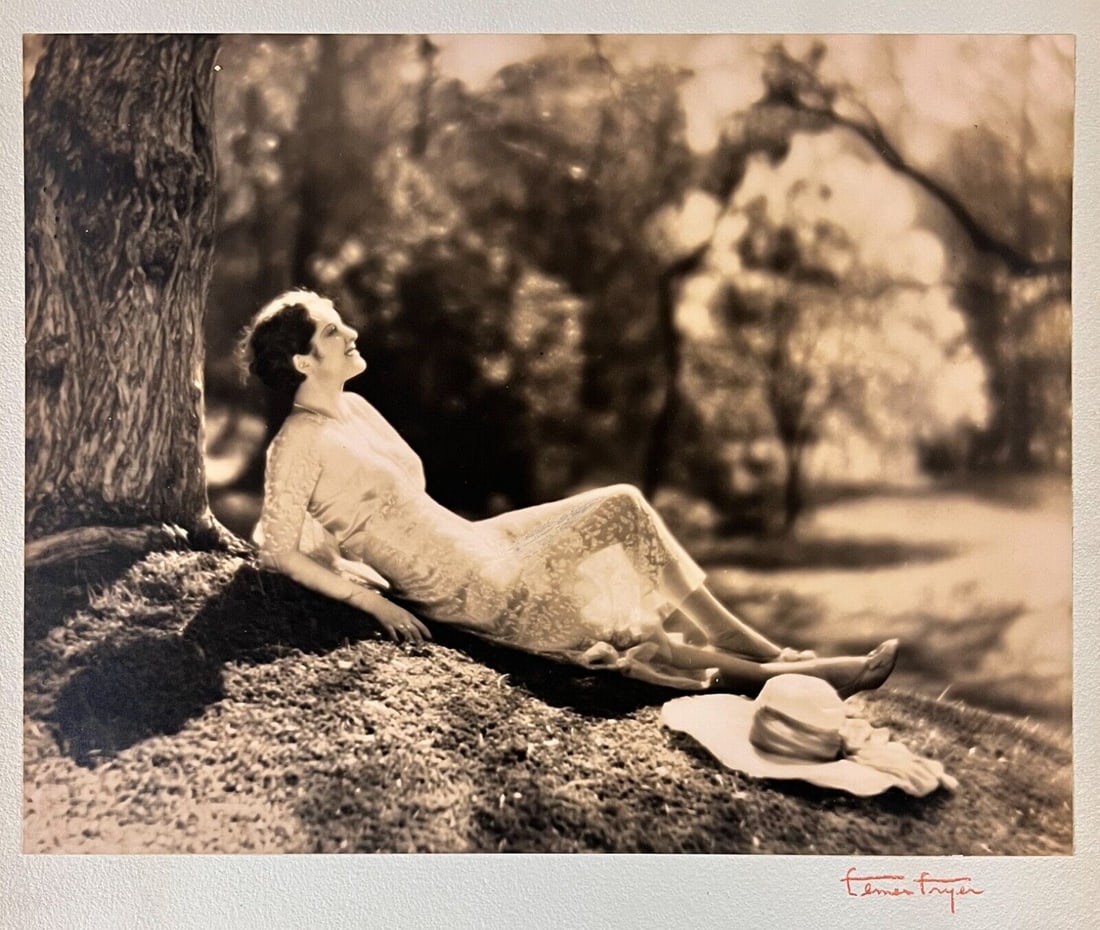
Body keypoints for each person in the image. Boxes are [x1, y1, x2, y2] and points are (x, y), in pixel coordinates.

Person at [241, 289, 898, 696]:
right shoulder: (297, 443)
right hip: (466, 585)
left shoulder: (354, 411)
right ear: (304, 361)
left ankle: (773, 655)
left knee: (622, 507)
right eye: (332, 330)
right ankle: (798, 672)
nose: (350, 331)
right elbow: (275, 546)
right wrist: (370, 602)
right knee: (620, 612)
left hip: (476, 543)